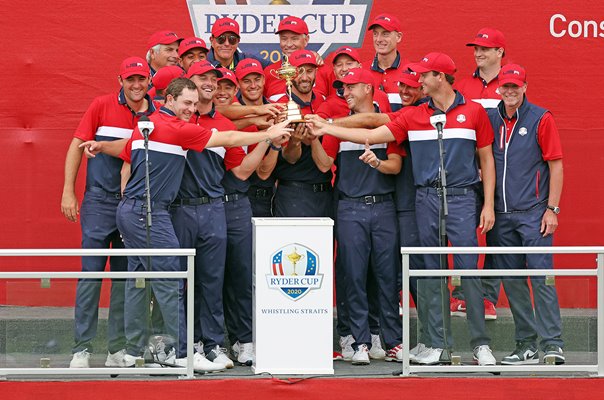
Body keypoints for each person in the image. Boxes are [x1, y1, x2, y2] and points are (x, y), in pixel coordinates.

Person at [79, 78, 291, 367]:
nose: (192, 109)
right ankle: (182, 354)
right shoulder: (176, 129)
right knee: (171, 282)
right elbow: (227, 139)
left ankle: (129, 353)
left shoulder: (149, 123)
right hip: (148, 213)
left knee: (139, 282)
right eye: (186, 103)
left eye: (194, 104)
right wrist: (269, 132)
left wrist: (102, 146)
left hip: (133, 211)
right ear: (169, 100)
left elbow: (126, 147)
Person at [306, 52, 497, 366]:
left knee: (468, 273)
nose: (418, 80)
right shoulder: (413, 115)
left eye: (424, 75)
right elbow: (370, 134)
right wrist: (325, 128)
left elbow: (486, 159)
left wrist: (488, 204)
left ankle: (480, 345)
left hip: (463, 199)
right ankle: (436, 343)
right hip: (425, 198)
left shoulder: (474, 112)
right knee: (430, 274)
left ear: (440, 76)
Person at [61, 56, 156, 368]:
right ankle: (81, 349)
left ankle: (116, 349)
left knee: (125, 278)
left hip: (134, 204)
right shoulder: (101, 105)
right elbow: (76, 146)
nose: (137, 85)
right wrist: (68, 191)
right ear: (121, 81)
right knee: (90, 275)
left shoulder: (156, 111)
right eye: (130, 80)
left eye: (141, 79)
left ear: (148, 80)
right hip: (99, 202)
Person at [311, 67, 404, 365]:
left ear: (368, 87)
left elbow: (396, 167)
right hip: (350, 206)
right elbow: (325, 164)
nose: (345, 92)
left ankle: (393, 341)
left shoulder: (389, 117)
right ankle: (359, 341)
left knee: (388, 276)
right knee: (352, 275)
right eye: (343, 88)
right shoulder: (338, 124)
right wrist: (313, 138)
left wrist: (376, 162)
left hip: (384, 205)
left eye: (351, 87)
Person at [487, 64, 565, 365]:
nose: (509, 91)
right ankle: (526, 345)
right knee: (513, 282)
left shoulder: (540, 118)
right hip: (501, 216)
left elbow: (555, 165)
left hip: (534, 214)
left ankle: (553, 344)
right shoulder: (490, 119)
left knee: (542, 279)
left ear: (524, 87)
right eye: (505, 86)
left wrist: (551, 209)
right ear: (499, 88)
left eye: (515, 87)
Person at [452, 27, 508, 320]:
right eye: (475, 48)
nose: (478, 53)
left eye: (485, 48)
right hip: (467, 171)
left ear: (500, 52)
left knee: (496, 235)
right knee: (463, 235)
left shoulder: (511, 84)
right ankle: (460, 295)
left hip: (504, 171)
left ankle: (487, 297)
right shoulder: (462, 86)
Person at [272, 49, 331, 218]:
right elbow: (289, 158)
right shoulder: (280, 106)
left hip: (325, 191)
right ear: (289, 73)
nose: (305, 77)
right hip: (294, 192)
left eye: (310, 71)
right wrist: (295, 141)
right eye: (299, 71)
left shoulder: (324, 101)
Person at [263, 16, 331, 102]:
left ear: (306, 40)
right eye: (284, 39)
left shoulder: (323, 70)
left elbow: (337, 103)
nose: (289, 44)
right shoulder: (270, 72)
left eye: (294, 39)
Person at [365, 14, 409, 111]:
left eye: (385, 34)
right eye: (375, 34)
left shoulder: (411, 71)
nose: (379, 39)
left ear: (399, 37)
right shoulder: (361, 71)